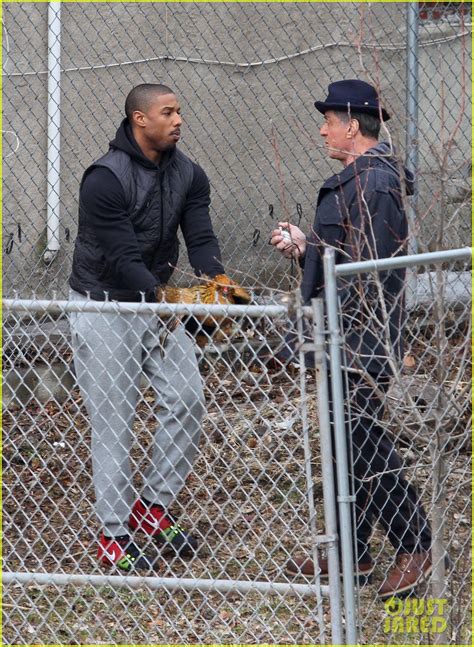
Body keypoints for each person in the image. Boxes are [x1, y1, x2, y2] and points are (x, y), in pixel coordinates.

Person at [270, 79, 432, 598]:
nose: (322, 129)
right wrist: (307, 246)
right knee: (345, 443)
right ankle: (351, 554)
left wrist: (359, 339)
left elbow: (376, 270)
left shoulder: (375, 184)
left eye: (329, 121)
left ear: (353, 126)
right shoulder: (357, 181)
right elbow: (345, 250)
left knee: (360, 441)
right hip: (340, 332)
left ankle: (416, 545)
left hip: (359, 337)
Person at [69, 83, 229, 572]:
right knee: (115, 421)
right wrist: (177, 300)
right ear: (140, 120)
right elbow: (121, 259)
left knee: (187, 400)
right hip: (105, 307)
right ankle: (114, 535)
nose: (178, 119)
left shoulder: (188, 173)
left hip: (157, 306)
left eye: (180, 110)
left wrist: (217, 282)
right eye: (168, 112)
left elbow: (199, 237)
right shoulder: (104, 178)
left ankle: (152, 508)